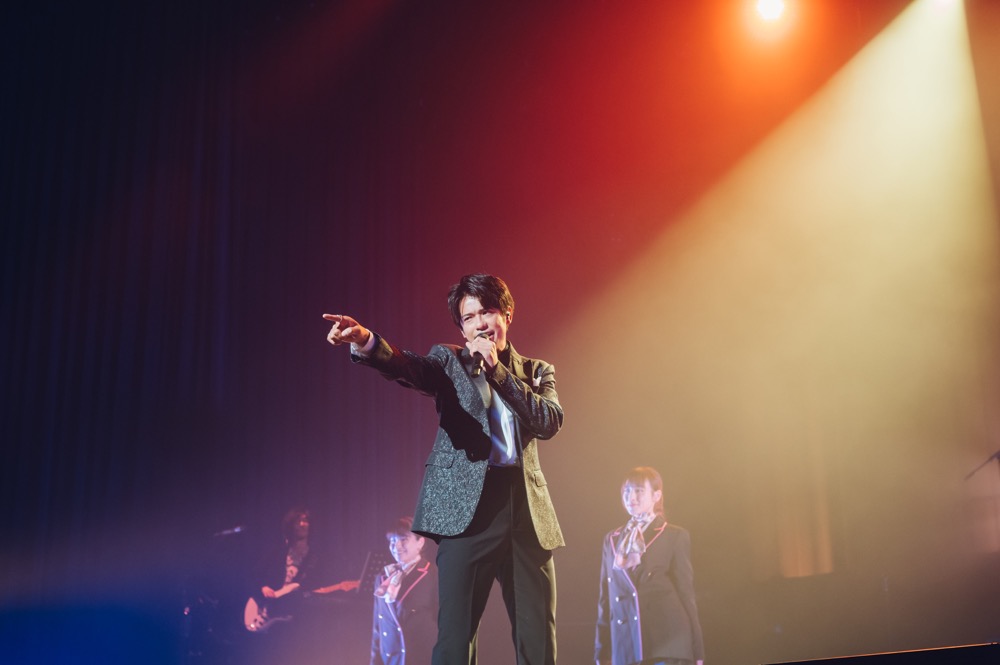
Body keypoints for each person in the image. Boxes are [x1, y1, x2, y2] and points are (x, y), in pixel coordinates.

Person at [323, 273, 565, 665]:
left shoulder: (537, 371)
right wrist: (366, 340)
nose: (480, 324)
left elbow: (549, 422)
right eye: (469, 318)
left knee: (537, 640)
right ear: (462, 329)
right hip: (466, 514)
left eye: (487, 312)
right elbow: (408, 367)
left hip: (525, 513)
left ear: (507, 315)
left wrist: (499, 373)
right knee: (455, 638)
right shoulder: (449, 362)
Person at [594, 467, 705, 665]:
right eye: (627, 491)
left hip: (668, 643)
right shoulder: (612, 539)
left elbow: (686, 594)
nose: (631, 497)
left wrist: (697, 651)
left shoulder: (674, 535)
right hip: (626, 645)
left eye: (639, 490)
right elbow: (606, 599)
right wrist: (602, 652)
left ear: (656, 496)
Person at [371, 516, 438, 665]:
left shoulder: (434, 575)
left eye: (403, 539)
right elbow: (378, 629)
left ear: (420, 542)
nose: (396, 546)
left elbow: (446, 628)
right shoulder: (382, 578)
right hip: (391, 661)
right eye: (392, 541)